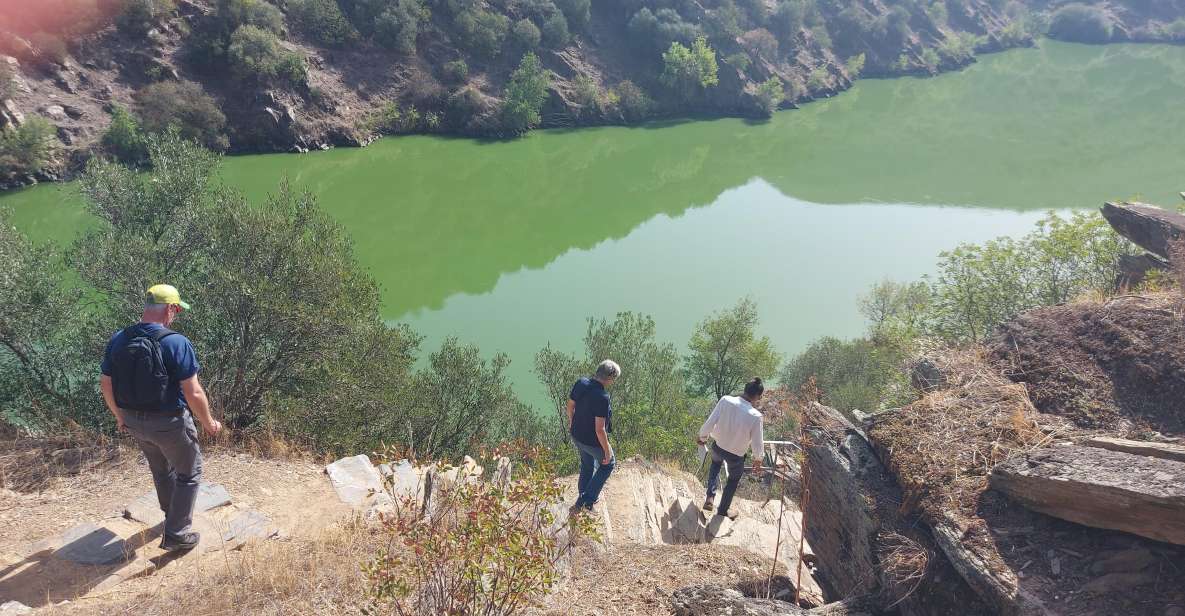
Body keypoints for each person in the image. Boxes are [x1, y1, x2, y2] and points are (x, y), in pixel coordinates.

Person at [99, 284, 222, 552]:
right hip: (169, 423)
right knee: (189, 473)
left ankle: (171, 515)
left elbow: (106, 383)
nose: (176, 315)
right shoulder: (176, 342)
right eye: (176, 309)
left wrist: (120, 416)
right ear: (169, 309)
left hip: (133, 421)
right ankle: (177, 533)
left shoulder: (119, 339)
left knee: (161, 469)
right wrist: (208, 422)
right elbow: (194, 392)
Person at [697, 377, 766, 520]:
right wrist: (758, 459)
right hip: (736, 455)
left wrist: (702, 437)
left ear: (745, 389)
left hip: (718, 446)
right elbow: (757, 442)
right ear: (758, 397)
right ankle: (722, 511)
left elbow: (710, 421)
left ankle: (710, 497)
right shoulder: (756, 416)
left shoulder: (725, 400)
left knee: (715, 466)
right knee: (733, 480)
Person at [567, 360, 620, 512]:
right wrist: (607, 451)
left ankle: (582, 494)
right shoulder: (602, 397)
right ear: (610, 378)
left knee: (587, 464)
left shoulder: (581, 383)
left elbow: (570, 405)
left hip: (576, 435)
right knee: (608, 465)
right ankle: (586, 501)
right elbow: (600, 430)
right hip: (592, 441)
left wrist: (571, 422)